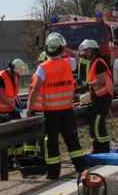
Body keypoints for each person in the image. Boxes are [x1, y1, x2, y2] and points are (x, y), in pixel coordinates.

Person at [27, 33, 86, 180]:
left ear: (47, 50)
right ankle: (81, 169)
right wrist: (67, 49)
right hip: (67, 110)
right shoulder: (69, 63)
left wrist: (30, 108)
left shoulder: (42, 68)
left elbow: (35, 89)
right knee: (72, 141)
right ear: (61, 49)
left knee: (52, 143)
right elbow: (80, 57)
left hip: (51, 113)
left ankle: (53, 173)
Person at [79, 39, 114, 153]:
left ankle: (102, 148)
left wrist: (88, 85)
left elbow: (101, 80)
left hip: (103, 98)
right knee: (96, 123)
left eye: (86, 51)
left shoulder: (99, 62)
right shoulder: (95, 62)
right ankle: (99, 147)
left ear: (92, 50)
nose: (85, 53)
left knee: (98, 123)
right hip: (98, 97)